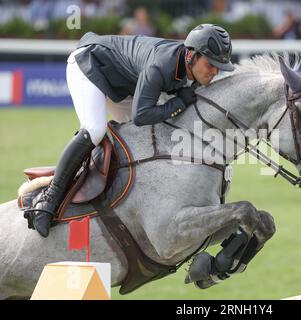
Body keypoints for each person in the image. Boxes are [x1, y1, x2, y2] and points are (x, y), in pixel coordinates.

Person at [24, 23, 234, 237]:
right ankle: (49, 201)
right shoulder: (161, 66)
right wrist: (179, 103)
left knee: (150, 139)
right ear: (192, 56)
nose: (215, 71)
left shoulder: (185, 66)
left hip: (122, 84)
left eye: (219, 67)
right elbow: (142, 115)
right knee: (95, 130)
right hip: (89, 65)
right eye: (211, 64)